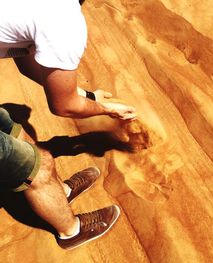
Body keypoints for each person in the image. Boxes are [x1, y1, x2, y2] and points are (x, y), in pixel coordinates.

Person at [0, 0, 136, 249]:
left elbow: (27, 61)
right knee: (37, 168)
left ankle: (58, 193)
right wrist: (106, 109)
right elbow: (63, 106)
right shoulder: (64, 20)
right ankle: (71, 231)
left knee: (14, 131)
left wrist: (89, 96)